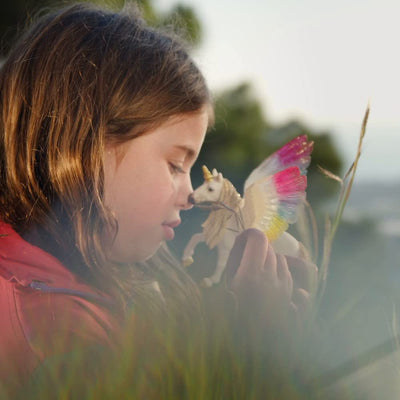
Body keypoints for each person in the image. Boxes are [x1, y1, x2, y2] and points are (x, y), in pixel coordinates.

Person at [0, 3, 316, 398]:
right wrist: (250, 350)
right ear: (85, 146)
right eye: (174, 164)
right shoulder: (52, 329)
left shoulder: (73, 282)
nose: (188, 196)